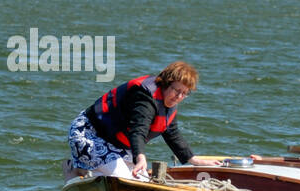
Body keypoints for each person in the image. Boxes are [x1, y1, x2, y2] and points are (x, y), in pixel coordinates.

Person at [66, 61, 219, 180]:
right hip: (90, 134)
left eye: (184, 93)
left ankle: (90, 169)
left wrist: (194, 160)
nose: (179, 97)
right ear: (166, 83)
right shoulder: (145, 97)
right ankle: (77, 169)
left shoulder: (169, 102)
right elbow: (138, 129)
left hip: (115, 144)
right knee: (124, 180)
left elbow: (171, 132)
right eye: (176, 90)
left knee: (143, 182)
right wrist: (140, 157)